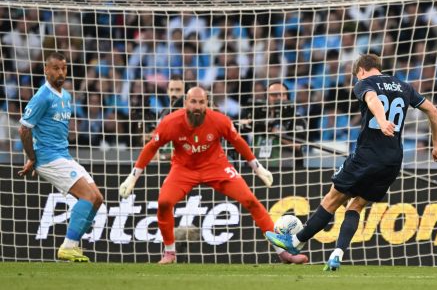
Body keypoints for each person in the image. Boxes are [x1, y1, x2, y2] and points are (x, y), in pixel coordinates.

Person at [264, 54, 437, 271]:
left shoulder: (364, 83)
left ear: (361, 70)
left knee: (332, 199)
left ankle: (295, 242)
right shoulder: (403, 86)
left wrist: (381, 119)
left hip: (366, 156)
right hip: (393, 160)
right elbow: (432, 110)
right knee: (356, 205)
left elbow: (372, 99)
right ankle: (337, 254)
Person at [118, 86, 308, 264]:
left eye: (201, 102)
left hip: (216, 167)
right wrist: (133, 177)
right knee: (164, 203)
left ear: (207, 103)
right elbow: (151, 148)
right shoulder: (170, 123)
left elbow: (238, 142)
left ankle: (282, 252)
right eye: (193, 102)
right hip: (183, 169)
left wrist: (258, 168)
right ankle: (169, 252)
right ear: (186, 103)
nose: (197, 106)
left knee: (251, 201)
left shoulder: (219, 120)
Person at [18, 52, 104, 262]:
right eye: (55, 68)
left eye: (64, 68)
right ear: (46, 70)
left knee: (97, 199)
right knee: (88, 197)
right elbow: (24, 129)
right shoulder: (42, 96)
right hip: (47, 157)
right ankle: (67, 247)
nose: (60, 73)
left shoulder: (65, 96)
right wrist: (32, 157)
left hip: (62, 154)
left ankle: (71, 246)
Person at [243, 82, 307, 168]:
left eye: (282, 95)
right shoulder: (257, 117)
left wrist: (275, 133)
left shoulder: (296, 119)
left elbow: (299, 146)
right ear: (267, 98)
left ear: (287, 97)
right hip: (259, 169)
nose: (279, 98)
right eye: (274, 95)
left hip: (287, 169)